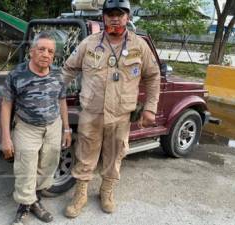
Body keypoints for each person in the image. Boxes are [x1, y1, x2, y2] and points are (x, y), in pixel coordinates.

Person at [62, 0, 161, 218]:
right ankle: (81, 194)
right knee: (85, 154)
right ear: (103, 17)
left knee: (115, 154)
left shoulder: (139, 46)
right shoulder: (89, 43)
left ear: (128, 17)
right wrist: (49, 91)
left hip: (121, 114)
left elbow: (153, 76)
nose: (115, 18)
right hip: (92, 112)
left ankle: (106, 191)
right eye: (110, 14)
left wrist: (150, 109)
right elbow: (68, 69)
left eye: (120, 14)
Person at [0, 32, 72, 225]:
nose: (46, 54)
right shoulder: (17, 74)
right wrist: (6, 137)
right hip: (26, 127)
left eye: (50, 51)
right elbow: (6, 105)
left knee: (48, 165)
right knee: (26, 167)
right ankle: (24, 207)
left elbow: (62, 100)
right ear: (31, 51)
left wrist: (66, 129)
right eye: (41, 49)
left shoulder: (58, 74)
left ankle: (35, 200)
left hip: (53, 126)